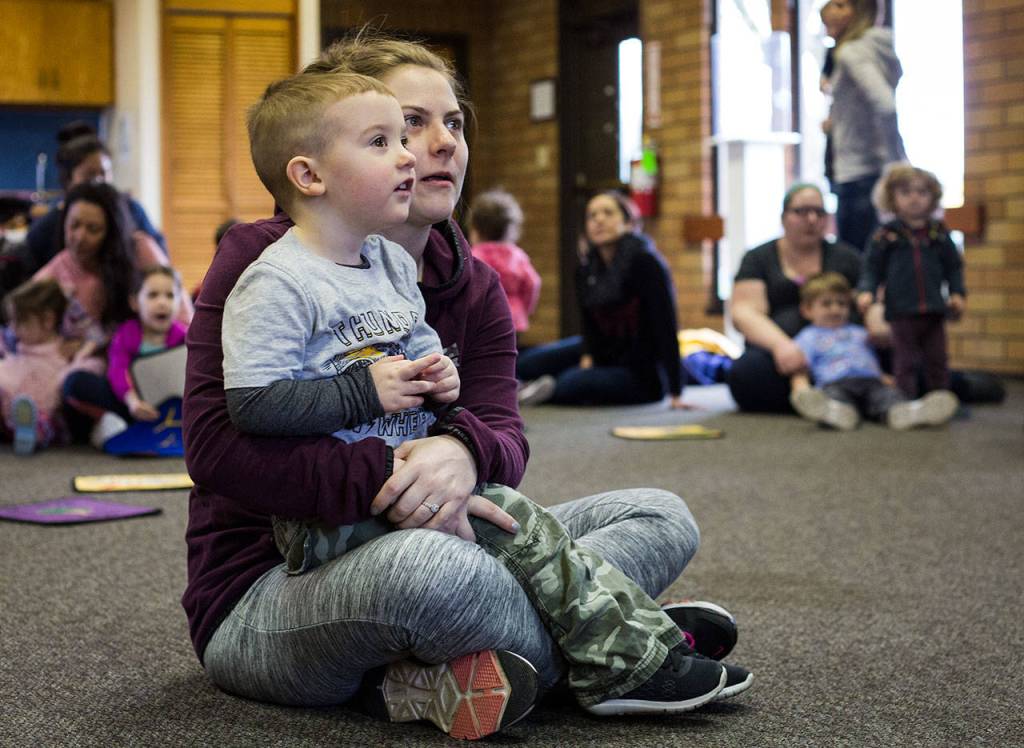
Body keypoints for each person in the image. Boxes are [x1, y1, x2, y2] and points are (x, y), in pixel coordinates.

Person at [182, 30, 744, 741]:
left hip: (453, 533)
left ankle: (529, 650)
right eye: (405, 126)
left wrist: (462, 454)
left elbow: (505, 435)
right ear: (320, 160)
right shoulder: (266, 264)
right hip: (272, 592)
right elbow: (217, 451)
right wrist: (398, 477)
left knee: (661, 514)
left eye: (453, 122)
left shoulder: (473, 285)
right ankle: (622, 635)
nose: (442, 143)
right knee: (435, 570)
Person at [30, 183, 191, 442]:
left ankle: (147, 420)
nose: (80, 237)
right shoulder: (59, 267)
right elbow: (23, 314)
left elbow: (183, 316)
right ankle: (140, 419)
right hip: (115, 373)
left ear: (112, 233)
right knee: (74, 385)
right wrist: (64, 344)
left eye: (93, 229)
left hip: (161, 363)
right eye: (74, 226)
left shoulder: (140, 249)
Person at [515, 191, 686, 408]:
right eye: (592, 215)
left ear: (628, 222)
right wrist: (587, 355)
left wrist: (676, 391)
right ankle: (530, 385)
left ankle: (535, 389)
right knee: (527, 362)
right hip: (603, 352)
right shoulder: (586, 270)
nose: (598, 219)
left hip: (641, 372)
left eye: (608, 213)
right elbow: (588, 324)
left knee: (572, 381)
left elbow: (666, 326)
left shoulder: (647, 263)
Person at [726, 183, 864, 413]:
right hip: (783, 356)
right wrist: (782, 346)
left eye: (819, 213)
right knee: (746, 373)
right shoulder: (758, 258)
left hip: (842, 353)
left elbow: (866, 304)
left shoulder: (847, 257)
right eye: (801, 212)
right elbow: (743, 313)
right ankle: (831, 400)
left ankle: (836, 398)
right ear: (784, 217)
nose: (811, 219)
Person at [789, 272, 958, 430]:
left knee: (888, 396)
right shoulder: (808, 337)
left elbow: (871, 358)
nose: (835, 309)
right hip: (835, 382)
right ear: (807, 310)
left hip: (871, 381)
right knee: (834, 398)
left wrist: (885, 377)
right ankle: (835, 413)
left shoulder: (860, 332)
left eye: (841, 304)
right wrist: (801, 391)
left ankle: (908, 412)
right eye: (827, 304)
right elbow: (799, 369)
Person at [856, 164, 966, 400]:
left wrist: (957, 293)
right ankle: (903, 401)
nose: (914, 198)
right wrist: (867, 291)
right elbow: (871, 268)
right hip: (901, 310)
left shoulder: (939, 233)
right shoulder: (885, 235)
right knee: (904, 359)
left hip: (934, 309)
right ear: (892, 198)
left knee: (937, 357)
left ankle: (939, 398)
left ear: (933, 197)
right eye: (906, 192)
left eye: (922, 192)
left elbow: (954, 267)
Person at [22, 124, 167, 276]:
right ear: (69, 180)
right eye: (89, 175)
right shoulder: (45, 230)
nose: (99, 181)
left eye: (104, 173)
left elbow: (164, 273)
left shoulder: (133, 212)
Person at [820, 0, 906, 252]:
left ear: (861, 9)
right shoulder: (877, 49)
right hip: (871, 172)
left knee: (857, 267)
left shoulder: (852, 52)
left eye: (840, 4)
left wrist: (891, 162)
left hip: (859, 175)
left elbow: (885, 105)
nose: (829, 9)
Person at [106, 265, 188, 424]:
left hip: (175, 407)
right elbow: (117, 370)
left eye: (170, 296)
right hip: (133, 403)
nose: (162, 303)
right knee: (81, 383)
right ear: (135, 302)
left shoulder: (185, 337)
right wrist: (132, 401)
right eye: (153, 295)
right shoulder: (124, 336)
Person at [0, 279, 73, 454]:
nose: (13, 328)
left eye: (19, 322)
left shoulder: (62, 354)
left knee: (45, 421)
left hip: (44, 414)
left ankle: (32, 433)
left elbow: (86, 366)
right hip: (9, 410)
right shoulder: (15, 344)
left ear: (48, 320)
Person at [467, 189, 541, 338]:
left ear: (475, 229)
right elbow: (533, 283)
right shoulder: (517, 255)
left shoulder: (474, 256)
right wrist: (523, 308)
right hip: (515, 320)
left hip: (485, 319)